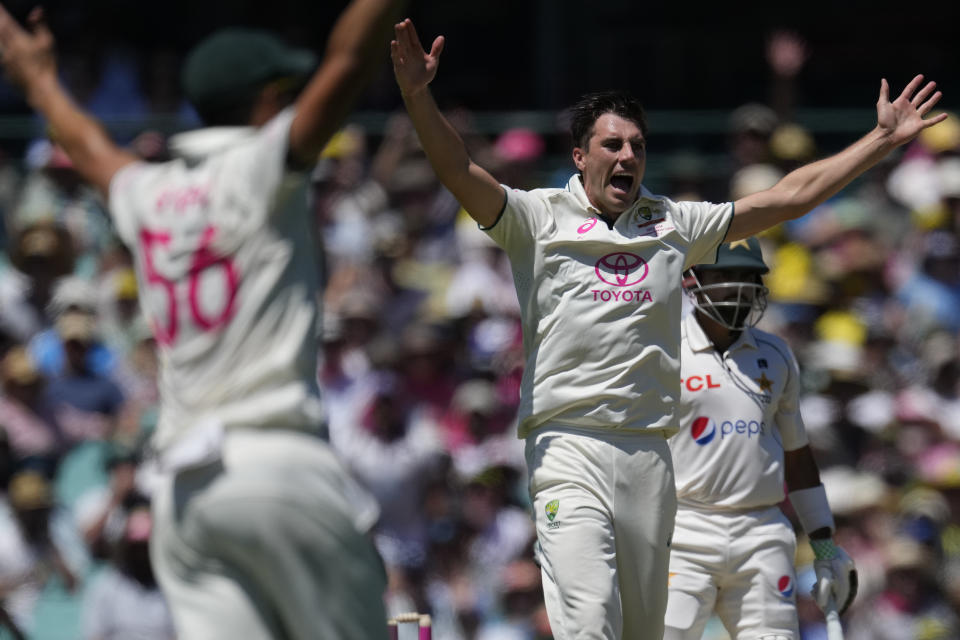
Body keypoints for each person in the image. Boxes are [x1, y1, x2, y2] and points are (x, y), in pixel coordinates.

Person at [389, 16, 946, 640]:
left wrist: (879, 140)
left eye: (637, 145)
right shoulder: (536, 218)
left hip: (652, 455)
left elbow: (788, 196)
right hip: (568, 445)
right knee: (589, 620)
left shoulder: (673, 223)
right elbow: (459, 170)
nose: (628, 155)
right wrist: (417, 94)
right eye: (612, 144)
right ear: (579, 155)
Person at [0, 1, 405, 638]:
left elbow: (83, 143)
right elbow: (349, 60)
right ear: (269, 101)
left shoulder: (148, 189)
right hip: (280, 465)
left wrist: (36, 80)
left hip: (186, 495)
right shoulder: (263, 166)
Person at [664, 238, 856, 640]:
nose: (738, 288)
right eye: (725, 276)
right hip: (682, 528)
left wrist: (824, 546)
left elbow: (798, 454)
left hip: (762, 530)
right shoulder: (663, 351)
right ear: (691, 281)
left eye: (747, 277)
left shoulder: (777, 353)